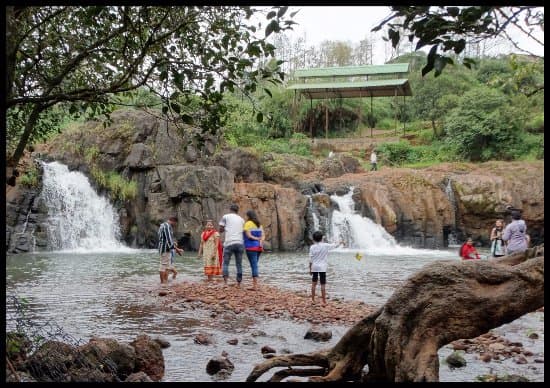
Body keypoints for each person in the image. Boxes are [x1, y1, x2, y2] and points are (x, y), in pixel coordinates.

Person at [309, 231, 344, 306]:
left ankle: (312, 300)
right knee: (323, 284)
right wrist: (340, 242)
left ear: (314, 239)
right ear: (322, 238)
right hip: (322, 268)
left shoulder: (312, 247)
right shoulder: (325, 245)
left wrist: (310, 269)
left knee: (313, 284)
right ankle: (324, 301)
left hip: (314, 267)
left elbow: (311, 259)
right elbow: (335, 245)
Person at [219, 204, 245, 286]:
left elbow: (221, 229)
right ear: (237, 211)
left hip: (229, 242)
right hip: (240, 243)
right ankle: (238, 283)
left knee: (226, 263)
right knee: (239, 263)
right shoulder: (241, 219)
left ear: (230, 209)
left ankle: (226, 282)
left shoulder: (225, 216)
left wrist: (223, 229)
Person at [243, 209, 264, 290]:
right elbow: (262, 236)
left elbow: (248, 236)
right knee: (255, 265)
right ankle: (255, 284)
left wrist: (256, 238)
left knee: (254, 265)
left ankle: (255, 286)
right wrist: (260, 242)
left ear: (248, 216)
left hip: (250, 247)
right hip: (258, 247)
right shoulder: (259, 224)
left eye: (246, 215)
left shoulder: (248, 224)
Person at [158, 216, 183, 284]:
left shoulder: (162, 225)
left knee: (167, 266)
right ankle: (162, 282)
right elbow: (169, 240)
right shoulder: (167, 226)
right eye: (175, 223)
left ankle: (165, 281)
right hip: (165, 249)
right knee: (164, 265)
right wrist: (177, 249)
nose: (175, 225)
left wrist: (176, 249)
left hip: (165, 248)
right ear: (173, 221)